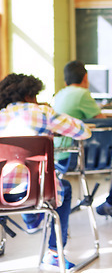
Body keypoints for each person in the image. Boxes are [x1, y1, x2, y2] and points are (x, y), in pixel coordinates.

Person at [0, 73, 91, 270]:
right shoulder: (42, 113)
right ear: (29, 96)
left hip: (2, 194)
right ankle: (54, 253)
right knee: (64, 187)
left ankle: (32, 220)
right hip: (36, 192)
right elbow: (84, 131)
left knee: (17, 181)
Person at [53, 60, 112, 221]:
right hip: (76, 157)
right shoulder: (82, 94)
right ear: (85, 77)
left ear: (65, 79)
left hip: (60, 156)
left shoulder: (59, 94)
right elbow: (102, 121)